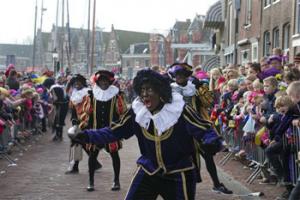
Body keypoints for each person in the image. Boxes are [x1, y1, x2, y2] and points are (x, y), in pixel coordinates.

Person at [72, 69, 223, 200]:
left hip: (178, 173)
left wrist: (211, 141)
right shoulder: (138, 112)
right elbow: (114, 131)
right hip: (149, 170)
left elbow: (204, 129)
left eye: (149, 90)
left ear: (160, 91)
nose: (144, 95)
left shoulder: (179, 110)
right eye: (142, 90)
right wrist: (86, 136)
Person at [169, 62, 233, 195]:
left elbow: (209, 102)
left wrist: (201, 88)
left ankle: (216, 184)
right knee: (180, 159)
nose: (179, 78)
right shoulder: (170, 90)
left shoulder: (195, 88)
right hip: (179, 129)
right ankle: (178, 188)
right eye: (176, 75)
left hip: (197, 127)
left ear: (186, 76)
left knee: (208, 156)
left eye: (181, 75)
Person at [88, 70, 127, 191]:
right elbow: (88, 113)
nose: (103, 83)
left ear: (109, 82)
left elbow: (122, 112)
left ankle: (116, 181)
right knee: (92, 156)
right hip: (96, 130)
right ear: (98, 82)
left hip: (111, 131)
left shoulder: (116, 95)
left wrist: (120, 128)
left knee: (115, 155)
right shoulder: (92, 95)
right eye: (101, 81)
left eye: (105, 81)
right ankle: (91, 182)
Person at [65, 74, 102, 178]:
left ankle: (90, 163)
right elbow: (73, 109)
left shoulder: (88, 93)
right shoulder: (74, 94)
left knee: (82, 142)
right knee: (77, 142)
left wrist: (88, 121)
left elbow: (91, 108)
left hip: (87, 121)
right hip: (77, 121)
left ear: (83, 82)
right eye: (75, 82)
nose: (77, 84)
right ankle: (87, 164)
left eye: (79, 82)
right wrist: (73, 120)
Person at [49, 74, 69, 141]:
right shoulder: (55, 87)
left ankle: (59, 135)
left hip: (61, 105)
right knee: (57, 120)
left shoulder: (62, 87)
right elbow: (53, 97)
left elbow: (65, 96)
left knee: (59, 120)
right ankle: (57, 135)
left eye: (61, 78)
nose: (60, 80)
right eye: (59, 78)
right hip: (59, 105)